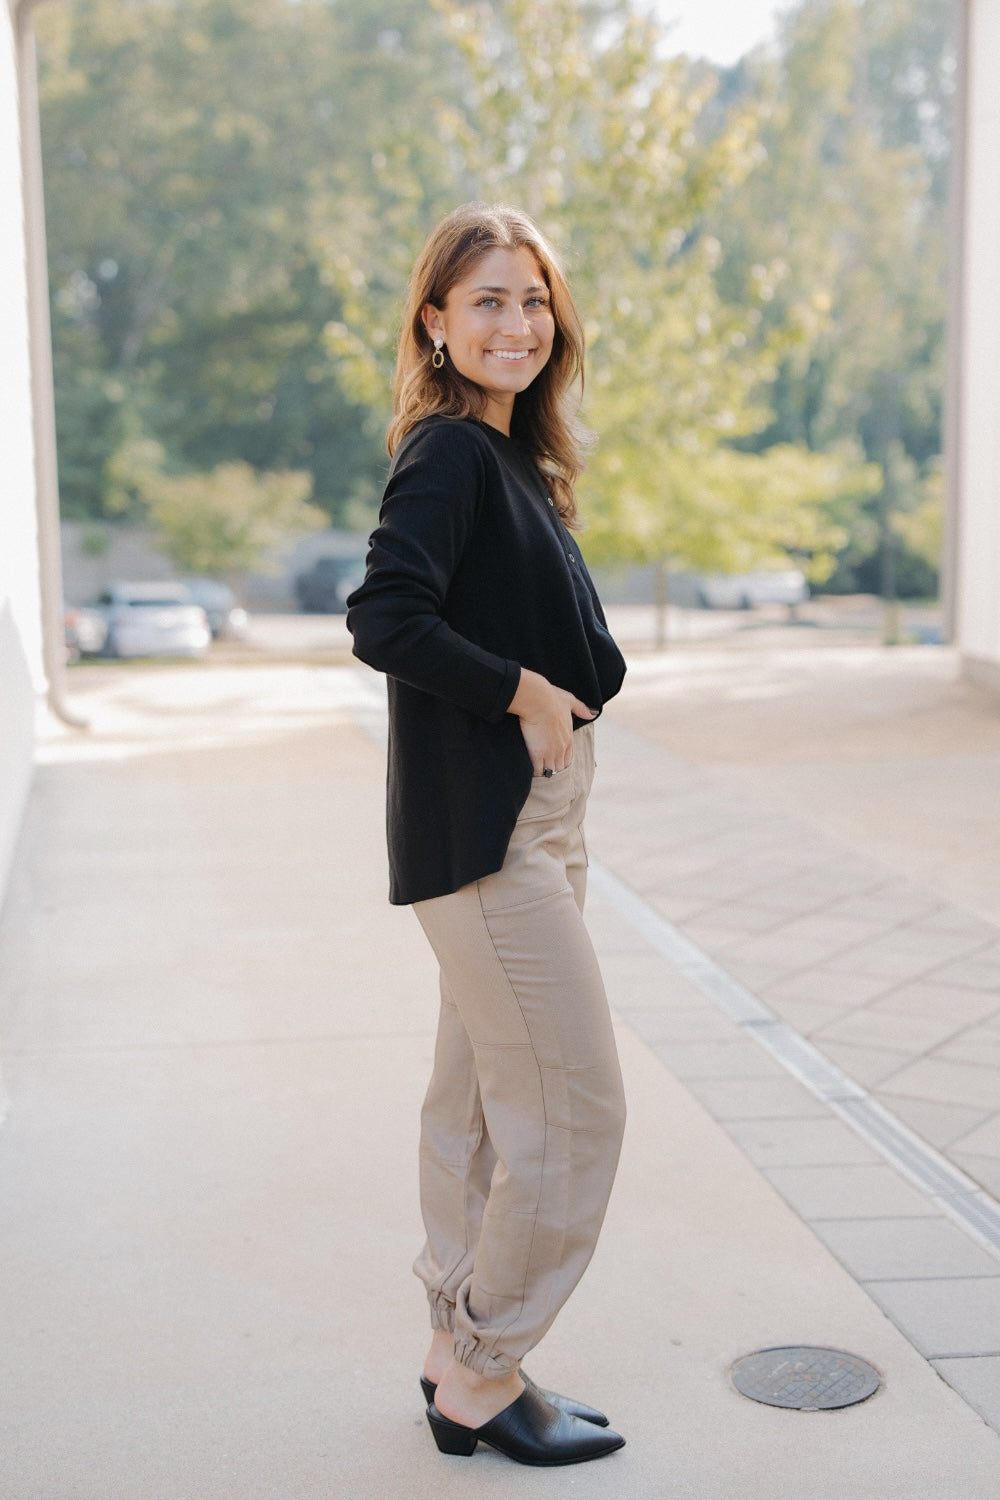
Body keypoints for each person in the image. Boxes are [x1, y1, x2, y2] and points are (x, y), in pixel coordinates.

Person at [346, 202, 628, 1468]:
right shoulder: (451, 454)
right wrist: (520, 689)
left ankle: (452, 1350)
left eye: (531, 299)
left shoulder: (511, 455)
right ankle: (482, 1371)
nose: (516, 323)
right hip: (493, 833)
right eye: (486, 302)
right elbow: (383, 619)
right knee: (573, 1115)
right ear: (435, 324)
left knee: (473, 1110)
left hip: (528, 820)